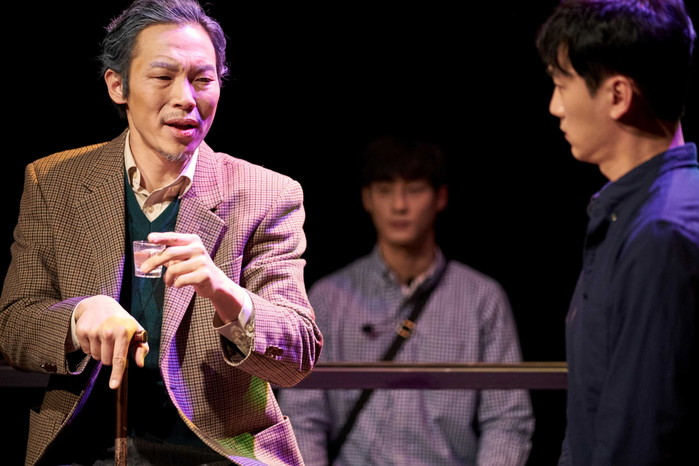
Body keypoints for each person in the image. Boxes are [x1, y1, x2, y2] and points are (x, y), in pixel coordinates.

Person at [0, 0, 322, 465]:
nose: (186, 98)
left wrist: (224, 293)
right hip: (83, 449)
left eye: (202, 79)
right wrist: (78, 317)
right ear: (118, 85)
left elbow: (297, 355)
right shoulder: (54, 182)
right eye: (163, 76)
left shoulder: (267, 194)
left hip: (216, 452)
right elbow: (14, 325)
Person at [277, 135, 534, 465]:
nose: (399, 205)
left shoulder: (482, 299)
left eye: (414, 189)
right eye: (385, 190)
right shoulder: (330, 297)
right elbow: (303, 416)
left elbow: (507, 418)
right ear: (367, 198)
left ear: (440, 197)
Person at [536, 0, 698, 464]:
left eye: (561, 85)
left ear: (617, 95)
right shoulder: (633, 212)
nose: (555, 107)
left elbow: (640, 435)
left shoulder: (660, 234)